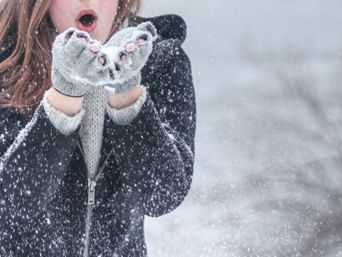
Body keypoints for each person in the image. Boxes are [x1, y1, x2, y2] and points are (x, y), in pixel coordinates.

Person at [0, 0, 196, 256]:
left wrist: (127, 93)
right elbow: (13, 202)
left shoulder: (160, 61)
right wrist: (65, 96)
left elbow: (163, 195)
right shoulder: (7, 63)